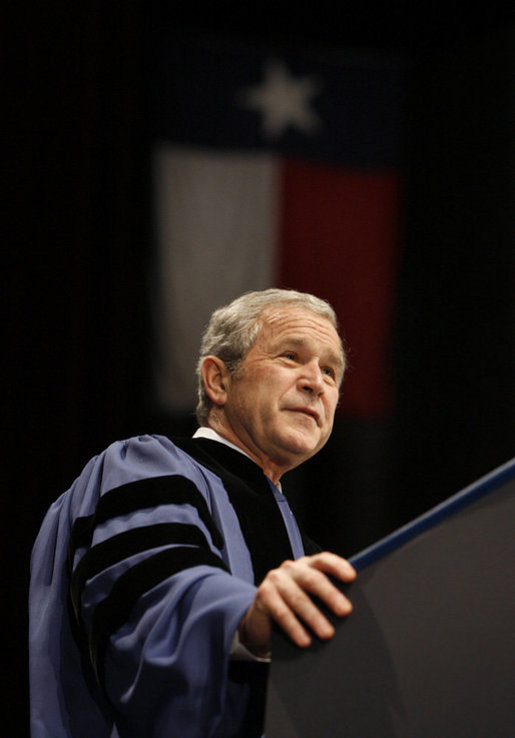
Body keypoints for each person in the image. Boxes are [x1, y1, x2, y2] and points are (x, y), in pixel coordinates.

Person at [29, 288, 357, 738]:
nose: (315, 381)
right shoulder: (144, 467)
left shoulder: (308, 552)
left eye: (330, 371)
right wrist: (248, 618)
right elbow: (152, 600)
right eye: (290, 356)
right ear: (218, 381)